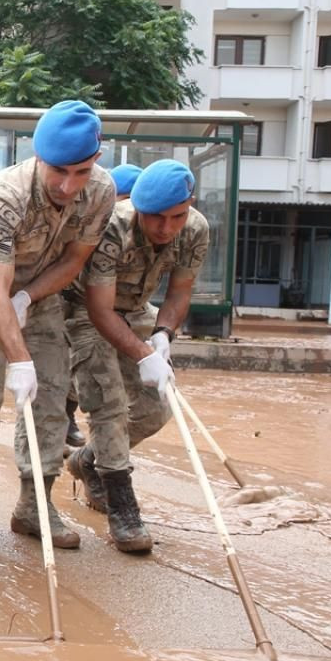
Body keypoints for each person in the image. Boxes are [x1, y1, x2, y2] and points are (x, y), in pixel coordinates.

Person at [0, 100, 114, 548]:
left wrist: (29, 296)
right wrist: (18, 358)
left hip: (40, 291)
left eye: (80, 171)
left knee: (50, 394)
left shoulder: (101, 192)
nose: (67, 184)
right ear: (39, 156)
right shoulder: (4, 197)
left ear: (95, 160)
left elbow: (76, 259)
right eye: (57, 170)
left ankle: (34, 503)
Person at [64, 159, 209, 552]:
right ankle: (123, 509)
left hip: (137, 310)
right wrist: (144, 353)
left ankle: (88, 459)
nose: (165, 228)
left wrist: (163, 335)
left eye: (175, 217)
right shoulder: (110, 227)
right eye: (153, 218)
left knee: (158, 406)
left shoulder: (195, 229)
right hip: (86, 310)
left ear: (189, 204)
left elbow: (180, 291)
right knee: (108, 405)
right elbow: (99, 310)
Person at [61, 162, 144, 449]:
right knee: (73, 365)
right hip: (76, 303)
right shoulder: (96, 223)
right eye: (125, 202)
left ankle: (100, 453)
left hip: (120, 308)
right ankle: (65, 416)